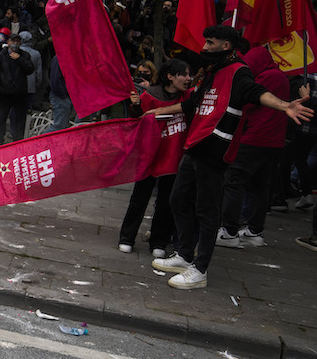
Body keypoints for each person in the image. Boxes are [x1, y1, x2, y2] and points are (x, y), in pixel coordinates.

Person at [146, 26, 313, 290]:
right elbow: (193, 104)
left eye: (210, 42)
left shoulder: (239, 72)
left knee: (207, 210)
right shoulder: (211, 72)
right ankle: (184, 254)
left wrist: (284, 106)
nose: (205, 47)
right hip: (195, 146)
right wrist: (159, 112)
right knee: (178, 198)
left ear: (225, 46)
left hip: (215, 151)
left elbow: (256, 93)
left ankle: (199, 270)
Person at [215, 46, 289, 248]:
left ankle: (229, 231)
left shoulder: (266, 77)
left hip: (254, 138)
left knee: (234, 181)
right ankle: (255, 231)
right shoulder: (279, 76)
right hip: (274, 141)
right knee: (260, 186)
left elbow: (247, 101)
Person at [118, 59, 192, 256]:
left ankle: (159, 241)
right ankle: (127, 237)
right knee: (139, 198)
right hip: (149, 156)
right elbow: (137, 119)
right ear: (170, 76)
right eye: (183, 74)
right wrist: (135, 106)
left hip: (174, 158)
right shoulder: (151, 95)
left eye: (189, 74)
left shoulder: (188, 98)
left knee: (167, 201)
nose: (188, 78)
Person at [0, 34, 34, 145]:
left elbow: (30, 69)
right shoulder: (1, 56)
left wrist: (19, 59)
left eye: (17, 41)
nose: (15, 43)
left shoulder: (25, 55)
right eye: (13, 41)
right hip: (4, 92)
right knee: (0, 117)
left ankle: (17, 140)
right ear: (8, 42)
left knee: (19, 119)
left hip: (19, 93)